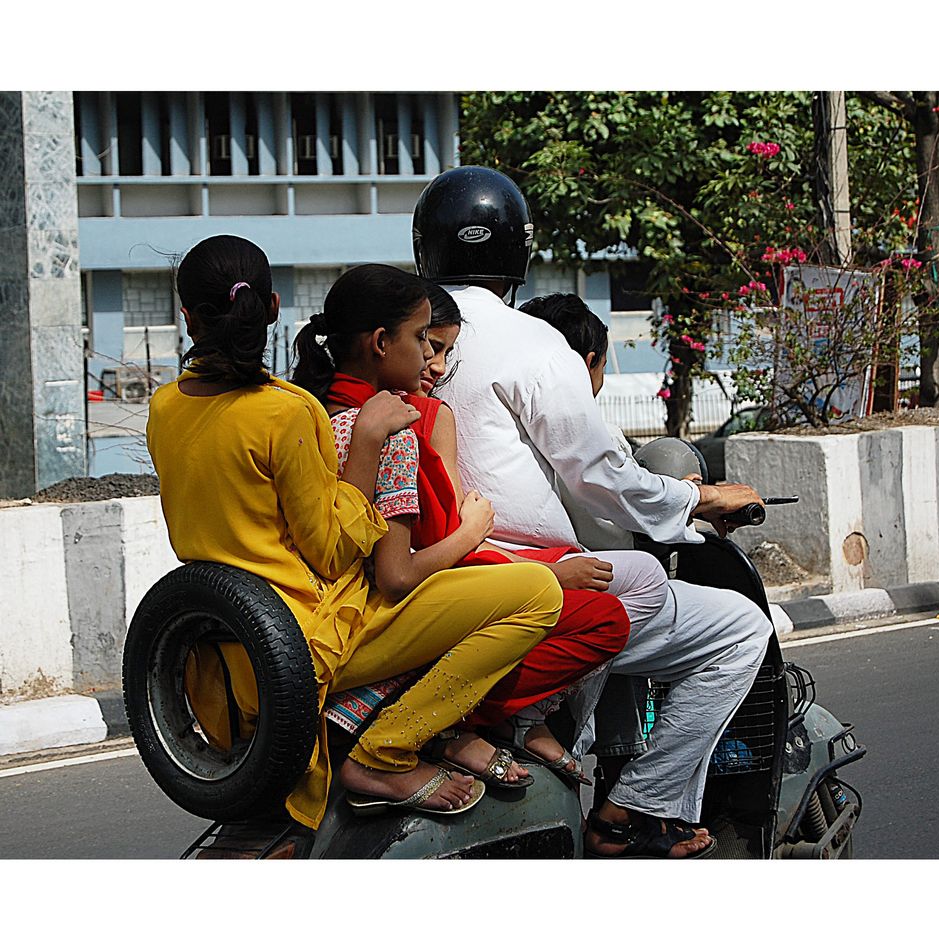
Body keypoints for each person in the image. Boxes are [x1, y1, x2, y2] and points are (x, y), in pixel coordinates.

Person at [413, 167, 773, 859]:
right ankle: (633, 807)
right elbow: (602, 473)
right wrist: (698, 497)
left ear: (427, 246)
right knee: (736, 628)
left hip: (439, 582)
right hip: (528, 583)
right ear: (516, 251)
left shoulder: (400, 336)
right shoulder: (528, 343)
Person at [147, 235, 564, 830]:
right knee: (538, 594)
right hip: (311, 644)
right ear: (272, 307)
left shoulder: (164, 408)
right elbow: (332, 550)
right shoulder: (287, 411)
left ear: (186, 317)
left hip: (219, 657)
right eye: (422, 340)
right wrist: (369, 439)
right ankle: (386, 751)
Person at [291, 265, 631, 786]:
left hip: (307, 619)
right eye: (424, 341)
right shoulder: (398, 432)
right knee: (558, 598)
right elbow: (398, 575)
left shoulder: (305, 416)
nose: (434, 361)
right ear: (382, 343)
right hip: (372, 620)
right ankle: (407, 738)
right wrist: (471, 533)